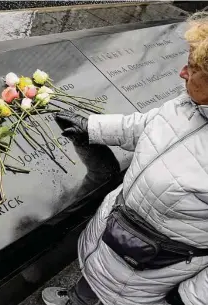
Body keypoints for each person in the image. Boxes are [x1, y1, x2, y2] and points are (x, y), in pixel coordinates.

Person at [42, 12, 208, 305]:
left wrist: (186, 301)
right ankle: (77, 298)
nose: (182, 73)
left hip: (151, 272)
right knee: (92, 282)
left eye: (193, 68)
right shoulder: (189, 103)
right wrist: (91, 126)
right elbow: (148, 125)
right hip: (112, 238)